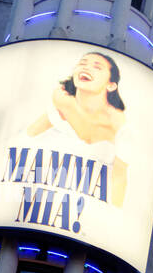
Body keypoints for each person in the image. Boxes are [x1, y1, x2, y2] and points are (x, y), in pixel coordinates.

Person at [26, 52, 130, 207]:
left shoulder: (120, 125)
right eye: (83, 63)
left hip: (89, 209)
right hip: (41, 200)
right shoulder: (59, 107)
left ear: (111, 85)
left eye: (97, 67)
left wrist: (111, 215)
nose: (86, 68)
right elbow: (24, 138)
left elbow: (120, 179)